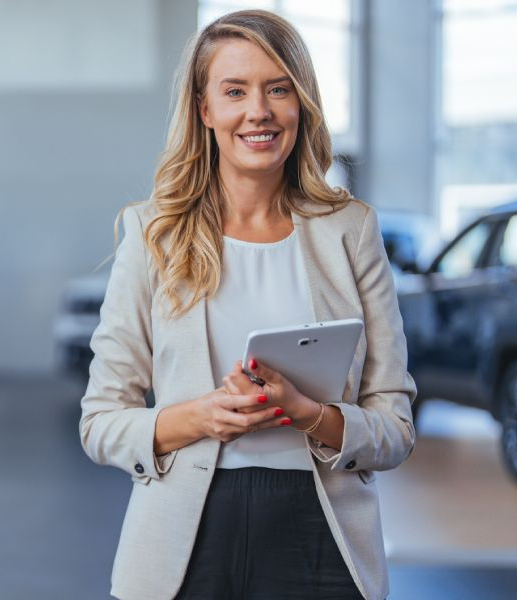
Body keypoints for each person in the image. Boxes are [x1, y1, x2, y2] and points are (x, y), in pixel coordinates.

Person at [78, 10, 416, 600]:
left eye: (277, 88)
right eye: (235, 91)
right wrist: (201, 417)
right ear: (205, 110)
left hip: (322, 537)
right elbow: (100, 422)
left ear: (300, 103)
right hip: (184, 542)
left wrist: (309, 413)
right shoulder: (153, 233)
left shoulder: (351, 230)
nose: (257, 111)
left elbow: (395, 427)